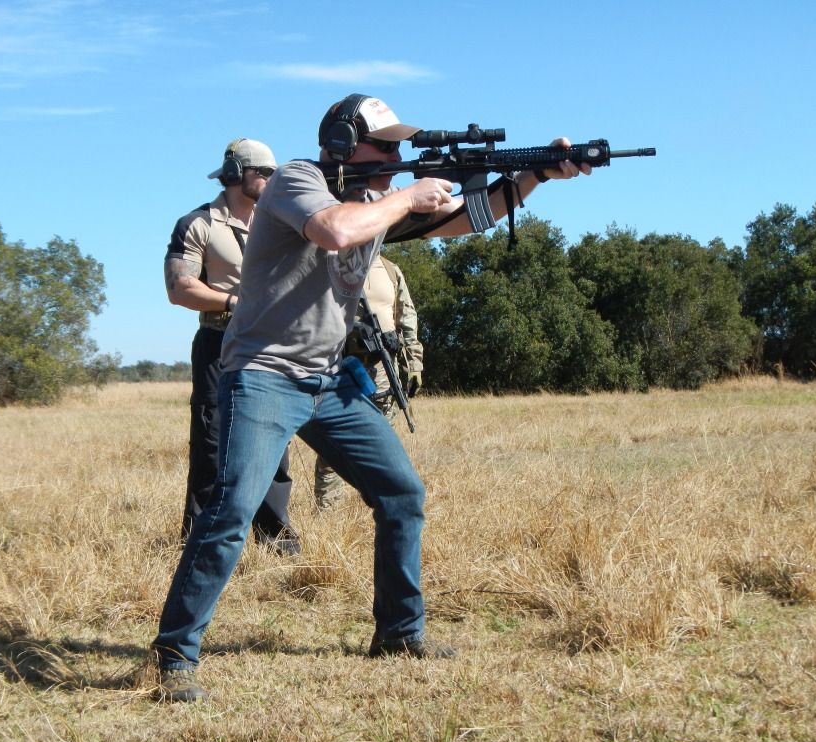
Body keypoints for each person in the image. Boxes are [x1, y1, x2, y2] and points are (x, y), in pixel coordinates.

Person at [150, 94, 591, 702]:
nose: (396, 156)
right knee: (232, 511)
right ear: (340, 142)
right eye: (383, 146)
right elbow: (332, 231)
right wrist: (408, 195)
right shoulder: (295, 181)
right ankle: (175, 654)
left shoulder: (371, 203)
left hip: (329, 381)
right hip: (264, 375)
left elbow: (465, 217)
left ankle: (400, 635)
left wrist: (536, 173)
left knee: (401, 493)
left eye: (399, 147)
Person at [164, 138, 301, 555]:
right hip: (219, 340)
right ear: (235, 175)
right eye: (263, 173)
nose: (270, 180)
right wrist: (232, 302)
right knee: (211, 438)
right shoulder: (198, 223)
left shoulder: (277, 222)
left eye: (273, 174)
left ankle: (275, 538)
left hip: (270, 345)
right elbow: (179, 287)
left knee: (275, 439)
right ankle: (199, 541)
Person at [313, 254, 422, 510]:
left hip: (383, 369)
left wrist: (414, 363)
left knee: (383, 443)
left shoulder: (390, 270)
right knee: (333, 445)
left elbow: (407, 319)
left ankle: (381, 505)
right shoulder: (329, 265)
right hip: (340, 365)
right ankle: (328, 511)